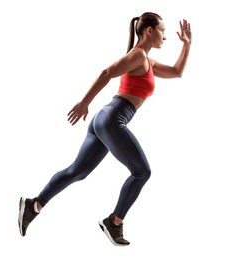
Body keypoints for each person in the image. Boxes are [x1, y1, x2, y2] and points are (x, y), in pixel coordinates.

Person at [18, 12, 192, 246]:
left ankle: (33, 205)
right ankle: (114, 222)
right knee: (142, 171)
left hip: (106, 119)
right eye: (162, 30)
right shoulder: (138, 55)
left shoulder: (147, 62)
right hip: (112, 119)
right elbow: (107, 73)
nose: (165, 36)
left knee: (77, 171)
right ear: (149, 31)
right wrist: (84, 102)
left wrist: (187, 45)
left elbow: (177, 71)